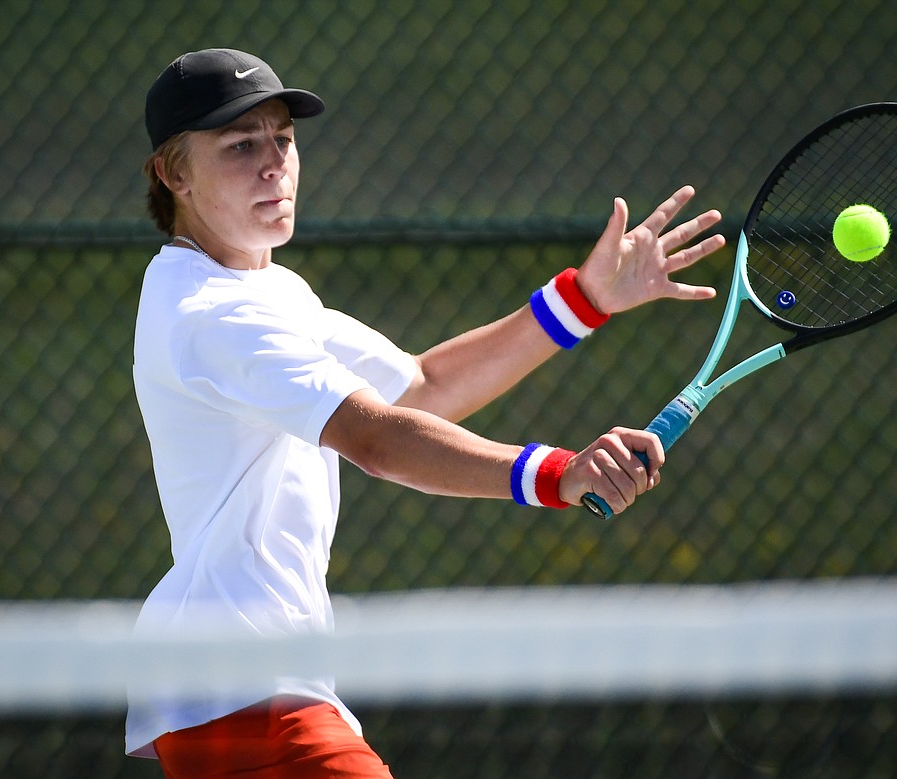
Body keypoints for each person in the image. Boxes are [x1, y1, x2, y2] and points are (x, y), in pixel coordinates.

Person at [127, 47, 725, 778]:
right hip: (245, 692)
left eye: (282, 138)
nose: (273, 163)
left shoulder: (267, 293)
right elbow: (376, 438)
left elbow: (420, 386)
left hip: (249, 687)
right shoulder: (210, 313)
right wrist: (558, 473)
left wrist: (585, 298)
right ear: (174, 173)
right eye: (240, 145)